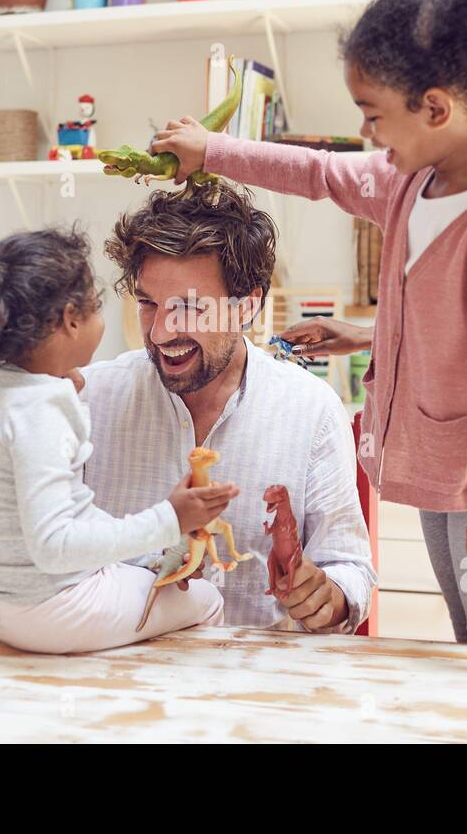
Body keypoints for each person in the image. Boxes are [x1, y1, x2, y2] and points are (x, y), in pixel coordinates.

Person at [147, 0, 467, 645]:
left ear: (435, 107)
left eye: (372, 114)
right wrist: (214, 151)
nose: (365, 134)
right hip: (440, 464)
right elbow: (316, 172)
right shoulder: (405, 181)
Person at [80, 184, 377, 632]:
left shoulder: (311, 410)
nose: (161, 333)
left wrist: (327, 595)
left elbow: (350, 571)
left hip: (259, 684)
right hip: (113, 673)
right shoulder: (88, 400)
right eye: (148, 303)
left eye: (190, 307)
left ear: (247, 306)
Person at [0, 226, 238, 653]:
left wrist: (157, 544)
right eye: (96, 308)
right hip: (54, 610)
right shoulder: (42, 413)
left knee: (147, 581)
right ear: (71, 319)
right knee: (206, 600)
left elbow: (68, 515)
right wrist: (170, 520)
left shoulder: (0, 398)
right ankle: (184, 711)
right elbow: (55, 546)